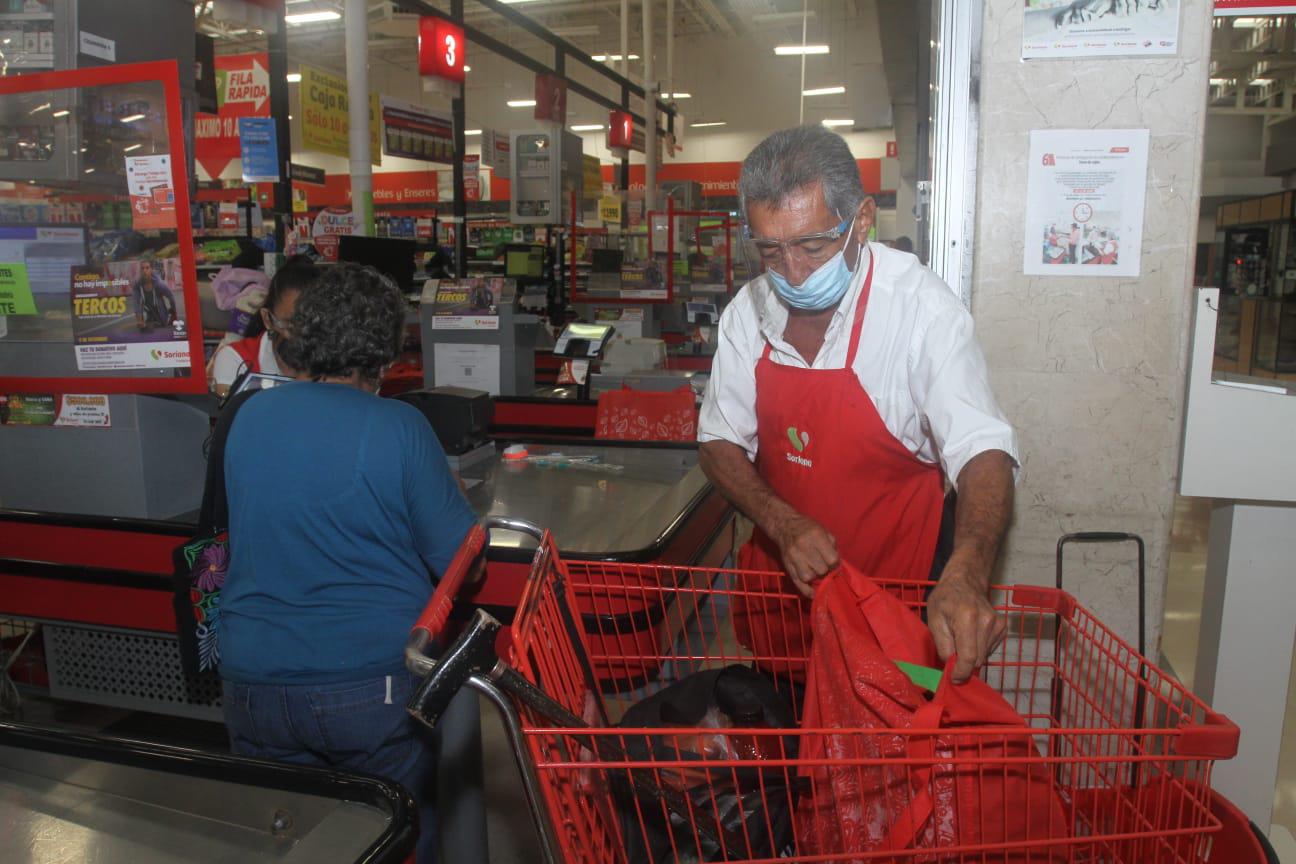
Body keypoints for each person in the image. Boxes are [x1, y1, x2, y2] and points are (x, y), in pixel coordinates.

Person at [699, 125, 1018, 684]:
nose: (792, 271)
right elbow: (719, 439)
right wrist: (782, 522)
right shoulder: (746, 313)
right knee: (781, 755)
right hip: (782, 609)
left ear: (863, 220)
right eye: (770, 249)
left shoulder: (921, 313)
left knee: (878, 764)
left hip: (887, 625)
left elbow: (982, 450)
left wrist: (970, 569)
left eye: (812, 245)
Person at [218, 263, 478, 863]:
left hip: (252, 683)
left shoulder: (247, 417)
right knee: (398, 836)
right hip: (367, 686)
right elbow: (462, 558)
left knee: (290, 844)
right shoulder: (400, 426)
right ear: (384, 346)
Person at [208, 256, 320, 398]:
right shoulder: (237, 359)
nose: (301, 334)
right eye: (289, 325)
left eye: (312, 323)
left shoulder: (341, 363)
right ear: (267, 319)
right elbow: (231, 412)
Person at [133, 259, 177, 331]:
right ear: (140, 271)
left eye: (147, 268)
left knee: (159, 324)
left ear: (151, 269)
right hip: (150, 316)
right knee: (145, 328)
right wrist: (139, 320)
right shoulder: (137, 285)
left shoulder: (159, 284)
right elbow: (136, 303)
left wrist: (174, 313)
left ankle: (164, 317)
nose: (145, 270)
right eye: (142, 268)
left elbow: (171, 296)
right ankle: (149, 320)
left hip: (162, 315)